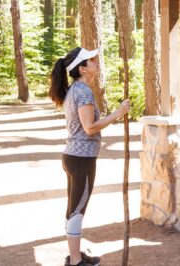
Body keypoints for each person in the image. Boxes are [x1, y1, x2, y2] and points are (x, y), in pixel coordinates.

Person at [49, 47, 130, 266]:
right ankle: (75, 261)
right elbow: (89, 127)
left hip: (74, 157)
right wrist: (118, 113)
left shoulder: (76, 88)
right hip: (81, 159)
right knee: (77, 210)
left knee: (74, 208)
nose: (96, 62)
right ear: (82, 68)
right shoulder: (82, 92)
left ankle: (75, 255)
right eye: (91, 60)